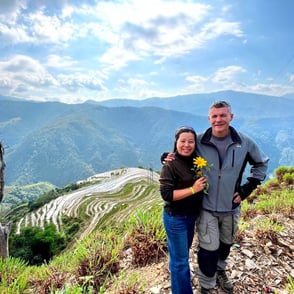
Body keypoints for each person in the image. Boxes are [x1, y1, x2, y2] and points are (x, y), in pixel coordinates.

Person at [162, 101, 269, 294]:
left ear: (231, 117)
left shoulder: (244, 143)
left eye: (223, 115)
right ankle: (207, 285)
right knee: (208, 248)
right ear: (209, 118)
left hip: (231, 205)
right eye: (214, 116)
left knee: (226, 244)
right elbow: (182, 152)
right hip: (207, 207)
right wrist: (166, 157)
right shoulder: (200, 141)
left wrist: (248, 187)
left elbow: (261, 164)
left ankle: (220, 271)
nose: (218, 120)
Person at [159, 126, 207, 294]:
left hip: (190, 217)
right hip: (176, 218)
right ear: (176, 142)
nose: (186, 145)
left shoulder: (197, 160)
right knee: (181, 262)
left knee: (181, 256)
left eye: (191, 141)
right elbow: (166, 194)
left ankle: (176, 278)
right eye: (182, 141)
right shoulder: (170, 164)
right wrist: (193, 189)